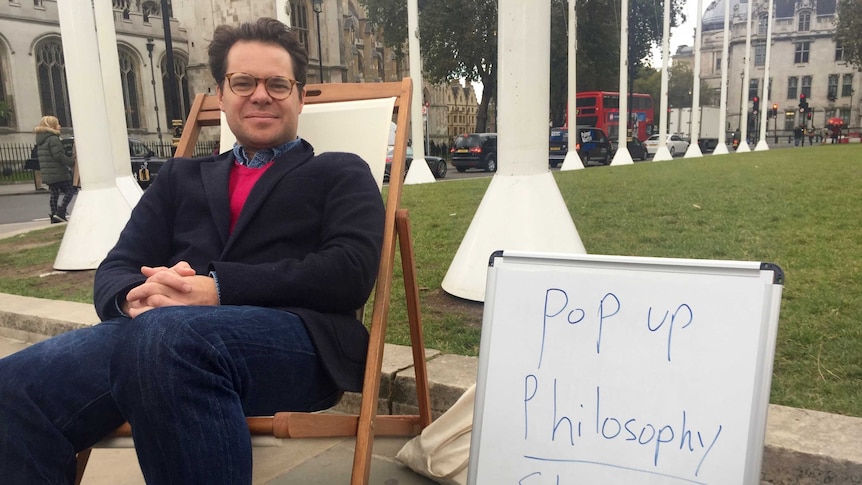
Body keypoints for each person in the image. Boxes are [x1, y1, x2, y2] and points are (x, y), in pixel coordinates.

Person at [0, 17, 384, 484]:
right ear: (220, 95)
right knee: (12, 387)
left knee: (169, 340)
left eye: (278, 84)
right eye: (243, 82)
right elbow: (117, 266)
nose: (260, 94)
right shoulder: (180, 176)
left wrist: (217, 290)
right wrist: (136, 296)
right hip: (157, 335)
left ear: (300, 96)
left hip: (296, 339)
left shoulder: (340, 171)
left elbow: (351, 271)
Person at [34, 115, 77, 222]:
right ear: (52, 125)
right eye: (57, 123)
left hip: (48, 172)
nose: (60, 126)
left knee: (54, 192)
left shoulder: (41, 139)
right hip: (58, 171)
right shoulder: (53, 139)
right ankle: (61, 211)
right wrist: (71, 162)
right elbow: (58, 155)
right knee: (70, 190)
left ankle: (54, 215)